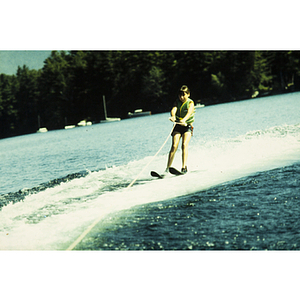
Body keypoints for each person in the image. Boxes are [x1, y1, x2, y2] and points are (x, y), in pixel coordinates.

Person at [166, 85, 195, 174]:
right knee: (174, 146)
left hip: (187, 126)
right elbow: (174, 109)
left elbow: (189, 112)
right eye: (180, 95)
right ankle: (167, 169)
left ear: (188, 94)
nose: (181, 97)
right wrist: (173, 116)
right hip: (178, 126)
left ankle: (184, 167)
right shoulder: (177, 102)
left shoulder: (190, 103)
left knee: (184, 144)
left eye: (183, 95)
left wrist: (184, 120)